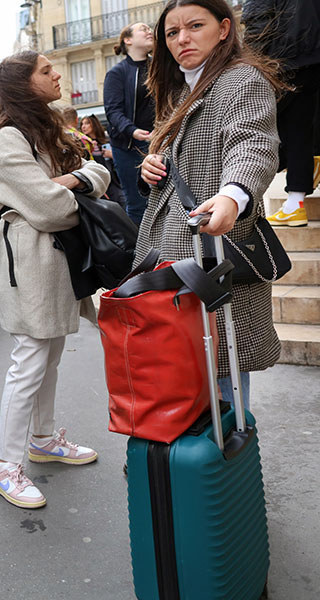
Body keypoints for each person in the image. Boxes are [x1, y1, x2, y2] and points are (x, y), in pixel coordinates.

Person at [139, 0, 285, 409]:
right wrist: (151, 165)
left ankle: (223, 467)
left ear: (223, 29)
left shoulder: (241, 80)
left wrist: (234, 194)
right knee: (186, 373)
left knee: (221, 381)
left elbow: (253, 143)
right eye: (172, 32)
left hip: (215, 252)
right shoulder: (178, 91)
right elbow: (180, 159)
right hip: (173, 253)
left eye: (194, 26)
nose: (183, 38)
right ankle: (195, 467)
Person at [0, 50, 108, 509]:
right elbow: (52, 208)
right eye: (46, 71)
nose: (57, 75)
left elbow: (99, 172)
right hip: (29, 258)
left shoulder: (43, 130)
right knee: (31, 358)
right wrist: (76, 182)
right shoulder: (5, 140)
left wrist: (68, 180)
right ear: (22, 84)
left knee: (50, 353)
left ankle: (43, 439)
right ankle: (5, 465)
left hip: (52, 258)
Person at [243, 0, 320, 227]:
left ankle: (239, 200)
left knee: (253, 128)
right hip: (312, 60)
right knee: (299, 132)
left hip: (282, 61)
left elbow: (257, 23)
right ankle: (294, 204)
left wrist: (249, 65)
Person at [103, 22, 155, 225]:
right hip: (128, 146)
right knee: (137, 204)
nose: (149, 31)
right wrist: (132, 131)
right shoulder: (117, 73)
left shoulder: (160, 66)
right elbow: (113, 111)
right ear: (128, 40)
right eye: (143, 29)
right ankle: (141, 253)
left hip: (159, 141)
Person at [80, 114, 126, 207]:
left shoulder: (107, 141)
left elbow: (121, 160)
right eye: (82, 124)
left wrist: (112, 155)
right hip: (97, 181)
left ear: (94, 124)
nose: (83, 126)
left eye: (87, 123)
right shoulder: (83, 145)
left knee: (121, 205)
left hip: (113, 181)